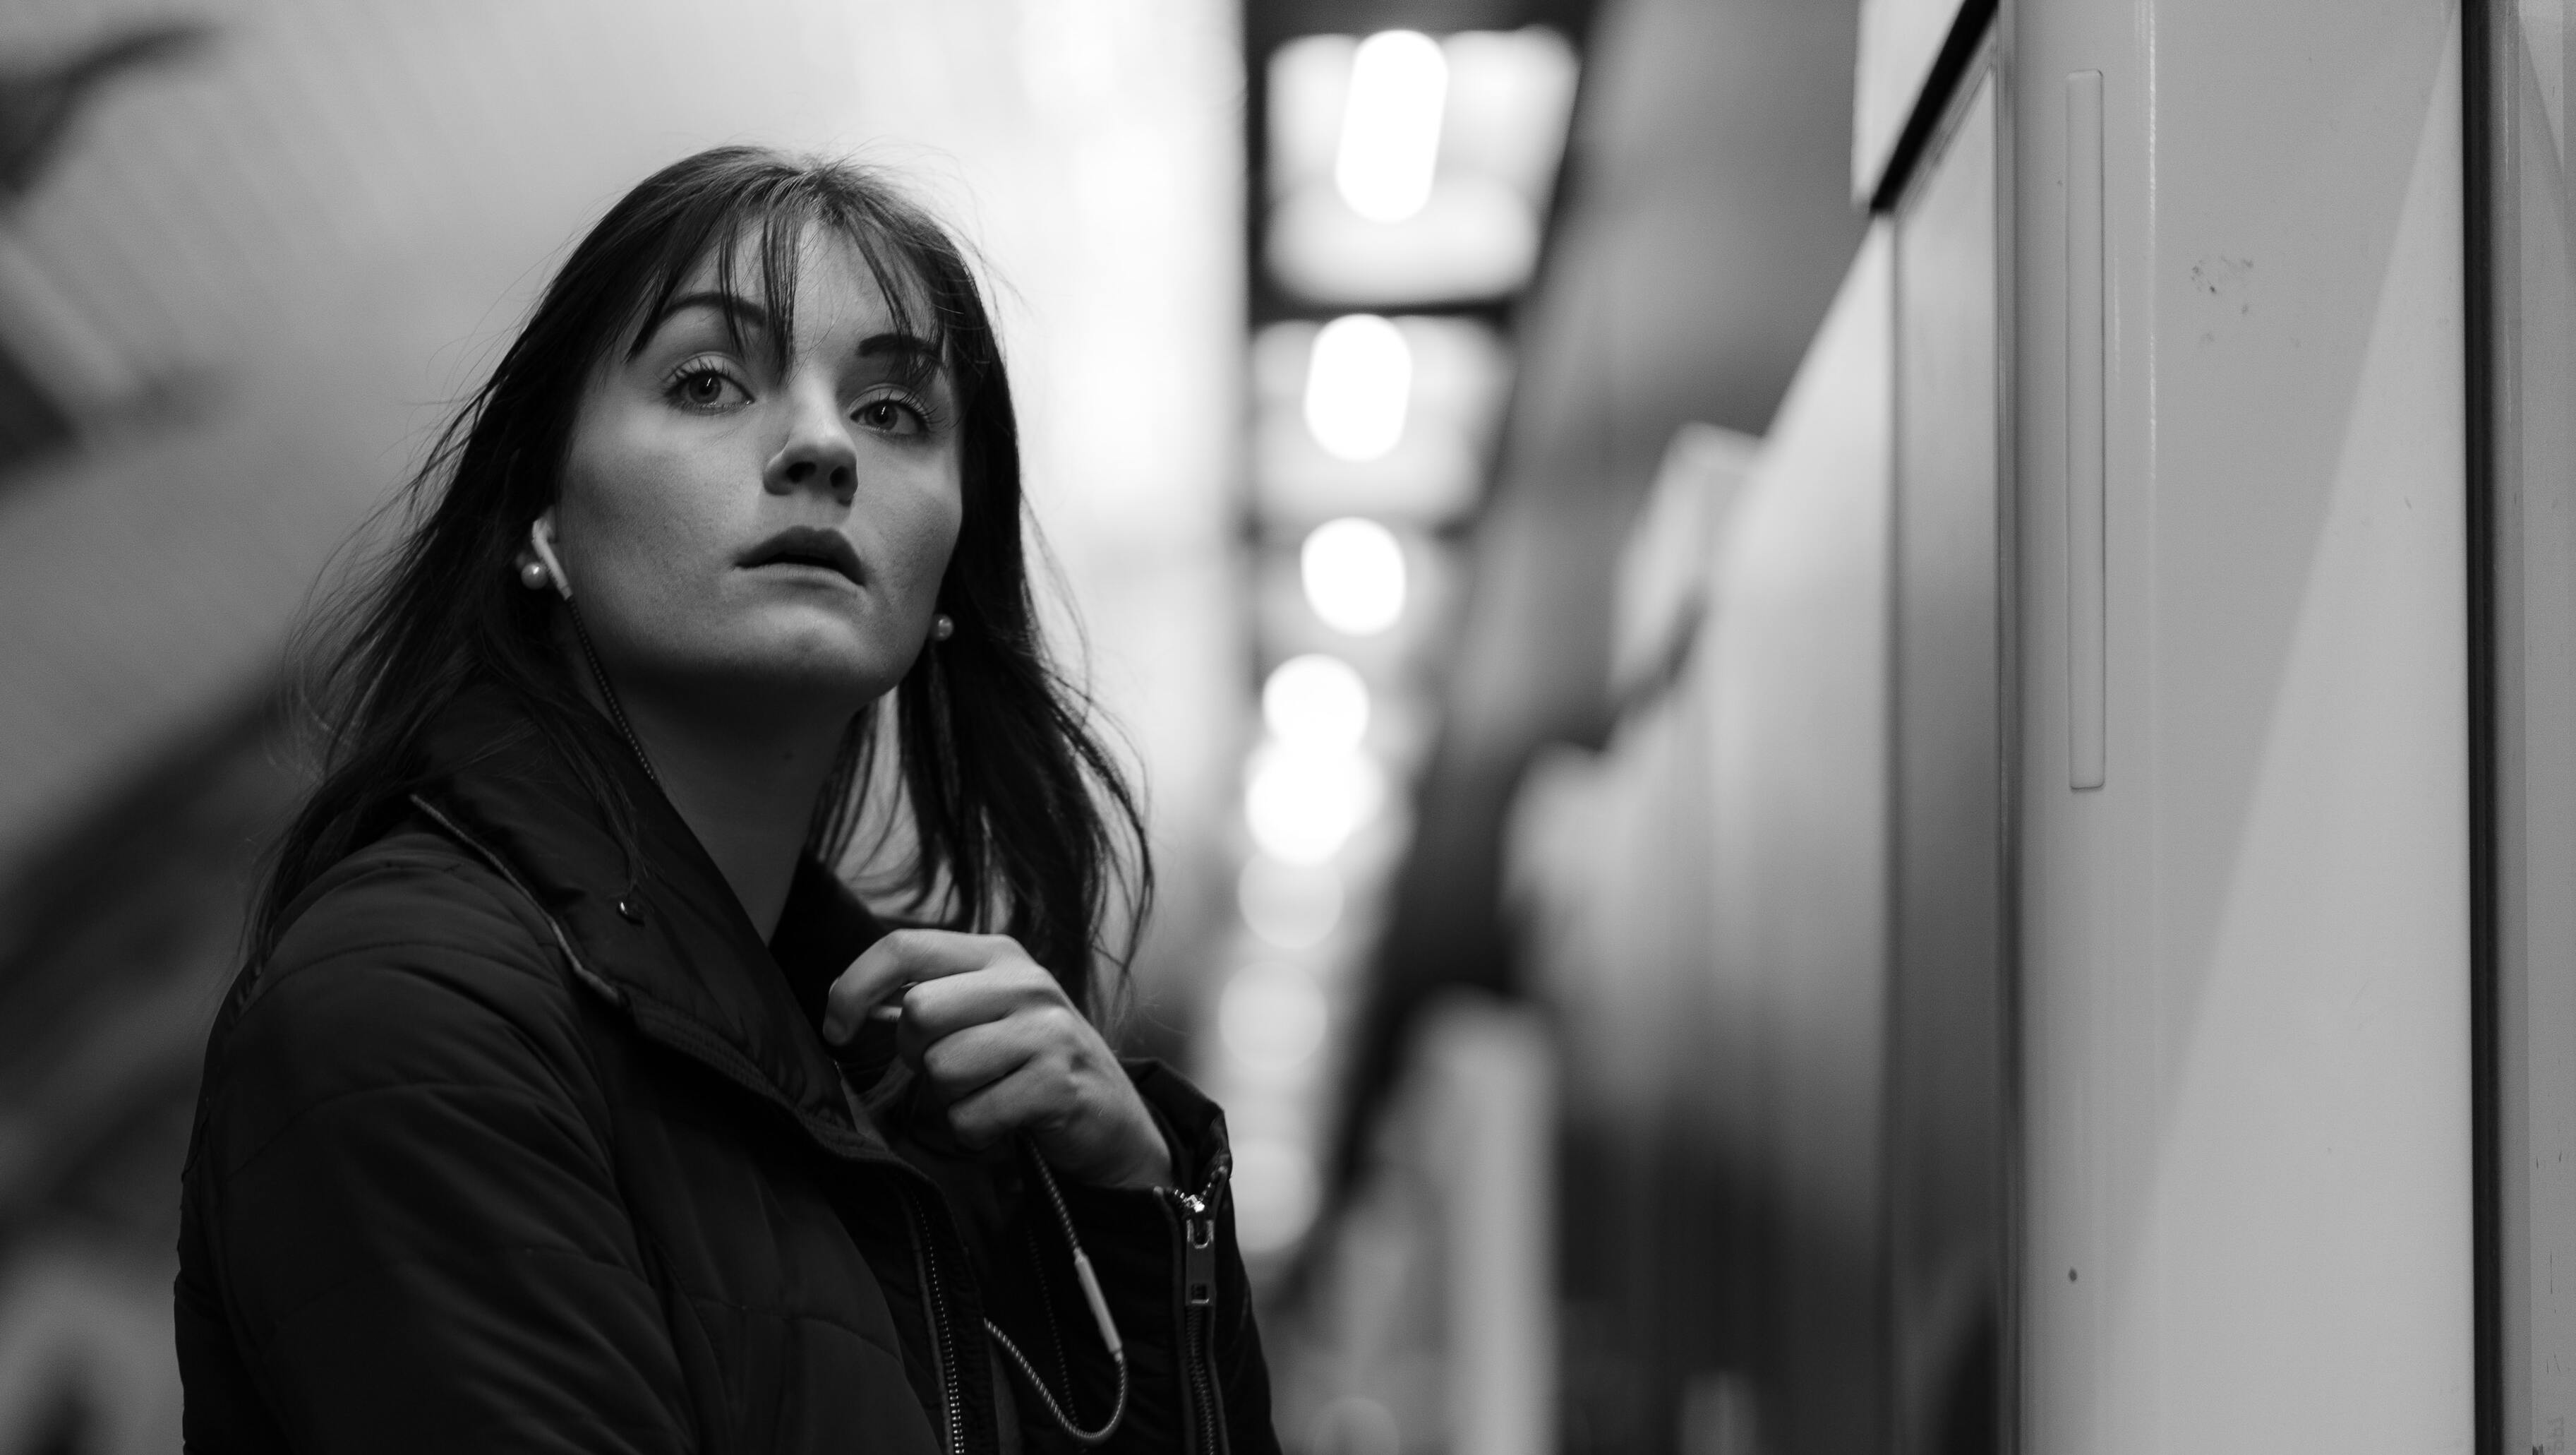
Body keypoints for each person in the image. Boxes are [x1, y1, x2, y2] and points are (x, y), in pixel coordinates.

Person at [174, 145, 1276, 1455]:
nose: (822, 446)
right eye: (707, 382)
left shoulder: (919, 1108)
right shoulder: (418, 1006)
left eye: (893, 411)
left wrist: (1130, 1212)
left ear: (949, 582)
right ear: (540, 520)